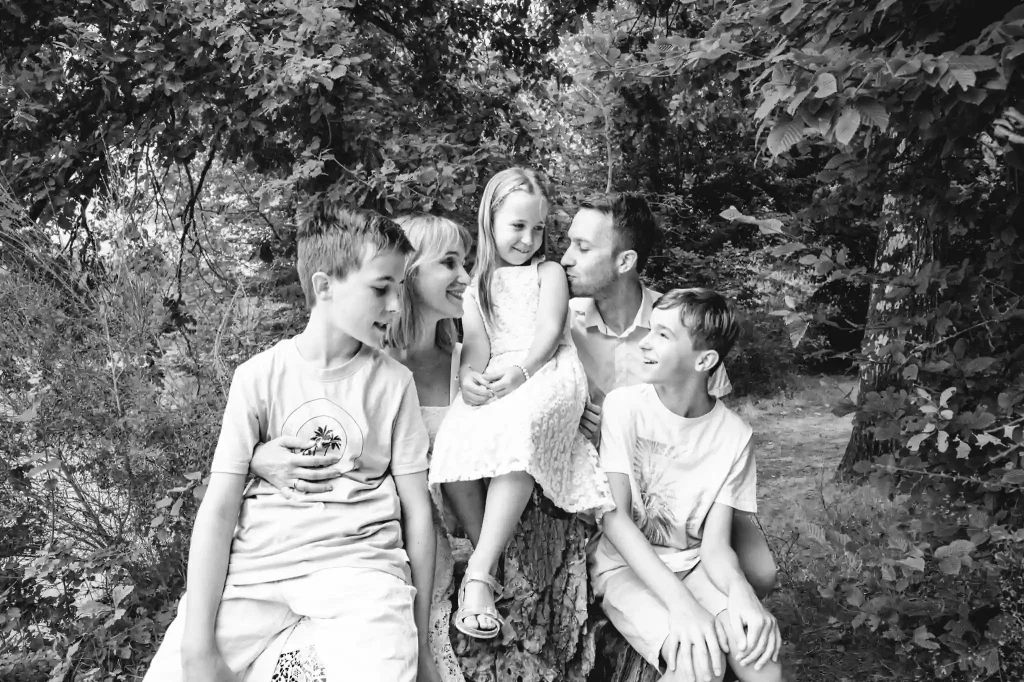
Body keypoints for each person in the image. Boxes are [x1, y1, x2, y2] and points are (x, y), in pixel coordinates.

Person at [143, 205, 436, 682]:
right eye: (381, 288)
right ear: (324, 288)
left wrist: (420, 647)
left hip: (359, 573)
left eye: (400, 289)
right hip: (257, 572)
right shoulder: (257, 378)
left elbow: (417, 512)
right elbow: (218, 510)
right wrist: (197, 648)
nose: (397, 306)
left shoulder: (394, 384)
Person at [428, 167, 614, 640]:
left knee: (519, 427)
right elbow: (475, 348)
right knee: (453, 437)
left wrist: (522, 373)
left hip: (547, 369)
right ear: (490, 220)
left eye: (538, 228)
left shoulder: (547, 272)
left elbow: (551, 332)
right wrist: (470, 379)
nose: (529, 239)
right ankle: (490, 559)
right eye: (517, 226)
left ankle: (478, 573)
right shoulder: (478, 283)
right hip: (501, 370)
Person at [560, 193, 777, 597]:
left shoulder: (677, 322)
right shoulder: (560, 324)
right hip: (605, 480)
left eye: (582, 247)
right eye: (569, 242)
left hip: (680, 479)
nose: (565, 258)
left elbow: (706, 419)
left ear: (625, 261)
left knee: (762, 573)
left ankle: (727, 619)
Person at [591, 288, 784, 682]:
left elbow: (714, 547)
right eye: (650, 329)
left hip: (695, 565)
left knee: (758, 653)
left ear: (705, 359)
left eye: (663, 334)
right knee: (701, 664)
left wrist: (742, 595)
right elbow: (614, 520)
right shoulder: (624, 407)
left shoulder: (734, 435)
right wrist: (684, 606)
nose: (644, 342)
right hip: (624, 567)